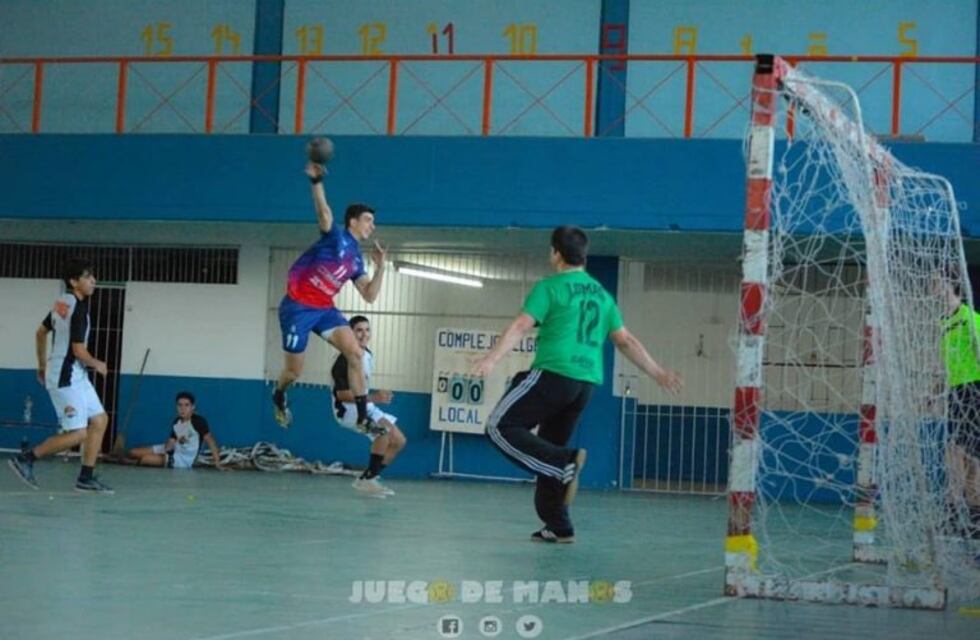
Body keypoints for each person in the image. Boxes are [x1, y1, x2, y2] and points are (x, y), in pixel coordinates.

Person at [471, 226, 682, 543]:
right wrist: (658, 372)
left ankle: (563, 463)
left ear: (555, 253)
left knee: (499, 427)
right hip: (585, 385)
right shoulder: (601, 294)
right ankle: (559, 525)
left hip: (554, 373)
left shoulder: (550, 287)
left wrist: (492, 358)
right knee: (549, 448)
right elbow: (625, 341)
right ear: (582, 256)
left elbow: (520, 325)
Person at [272, 159, 386, 432]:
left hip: (324, 308)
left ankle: (362, 416)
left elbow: (369, 295)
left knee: (356, 354)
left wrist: (381, 267)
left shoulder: (357, 260)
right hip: (297, 308)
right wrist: (316, 181)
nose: (372, 226)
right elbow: (324, 212)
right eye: (368, 220)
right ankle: (279, 394)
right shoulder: (335, 237)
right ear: (353, 221)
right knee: (293, 372)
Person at [8, 258, 114, 493]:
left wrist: (41, 365)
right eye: (87, 277)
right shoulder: (76, 308)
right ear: (74, 281)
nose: (93, 280)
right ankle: (27, 458)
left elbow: (40, 332)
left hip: (73, 373)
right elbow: (78, 350)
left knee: (99, 419)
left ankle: (85, 477)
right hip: (66, 376)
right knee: (78, 433)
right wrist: (98, 363)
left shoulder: (62, 303)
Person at [331, 316, 407, 497]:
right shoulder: (343, 360)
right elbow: (341, 395)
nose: (364, 334)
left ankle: (367, 477)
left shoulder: (367, 355)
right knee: (382, 433)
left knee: (398, 441)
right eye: (359, 330)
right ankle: (368, 481)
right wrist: (374, 397)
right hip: (348, 410)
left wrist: (373, 398)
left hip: (367, 405)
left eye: (367, 330)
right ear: (350, 334)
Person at [937, 268, 980, 537]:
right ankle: (957, 514)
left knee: (971, 456)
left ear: (950, 285)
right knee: (954, 453)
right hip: (956, 392)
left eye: (935, 282)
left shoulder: (971, 318)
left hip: (974, 389)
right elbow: (948, 364)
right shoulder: (943, 322)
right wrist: (936, 391)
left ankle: (973, 517)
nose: (931, 287)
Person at [124, 392, 227, 470]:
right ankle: (122, 458)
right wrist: (168, 446)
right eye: (180, 405)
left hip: (182, 459)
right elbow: (170, 444)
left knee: (145, 459)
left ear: (193, 407)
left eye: (186, 405)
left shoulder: (199, 421)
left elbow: (210, 441)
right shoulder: (177, 421)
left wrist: (217, 463)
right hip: (173, 450)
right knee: (133, 452)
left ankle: (124, 462)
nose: (183, 408)